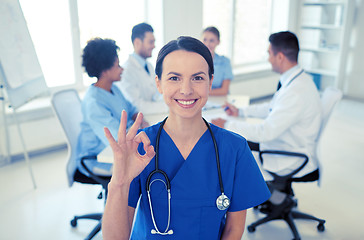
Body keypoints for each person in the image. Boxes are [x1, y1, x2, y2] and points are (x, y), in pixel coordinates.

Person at [102, 36, 271, 240]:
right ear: (159, 84)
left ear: (210, 82)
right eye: (174, 78)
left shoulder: (234, 149)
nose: (186, 90)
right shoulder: (141, 146)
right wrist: (119, 180)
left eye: (198, 78)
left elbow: (234, 230)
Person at [212, 31, 322, 178]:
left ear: (280, 57)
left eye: (269, 53)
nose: (268, 59)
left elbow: (265, 132)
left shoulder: (296, 91)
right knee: (237, 141)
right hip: (283, 142)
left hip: (287, 154)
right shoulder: (297, 80)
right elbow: (272, 107)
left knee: (230, 147)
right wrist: (241, 112)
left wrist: (226, 125)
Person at [76, 37, 147, 177]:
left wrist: (140, 121)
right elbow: (116, 139)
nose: (122, 69)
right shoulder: (94, 102)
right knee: (145, 166)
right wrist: (140, 129)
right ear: (104, 71)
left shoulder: (113, 89)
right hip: (98, 158)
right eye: (117, 65)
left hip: (118, 149)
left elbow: (131, 109)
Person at [117, 22, 168, 114]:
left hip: (156, 115)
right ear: (137, 42)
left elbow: (156, 95)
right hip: (143, 119)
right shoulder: (126, 70)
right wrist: (167, 106)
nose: (154, 46)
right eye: (150, 42)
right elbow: (136, 105)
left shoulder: (149, 66)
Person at [202, 26, 233, 96]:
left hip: (219, 100)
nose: (207, 44)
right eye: (205, 40)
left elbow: (224, 90)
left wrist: (202, 93)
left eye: (211, 41)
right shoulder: (195, 62)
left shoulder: (225, 62)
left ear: (218, 42)